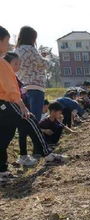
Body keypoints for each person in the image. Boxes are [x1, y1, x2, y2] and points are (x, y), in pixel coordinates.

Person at [0, 26, 63, 183]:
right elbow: (10, 88)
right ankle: (47, 154)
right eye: (6, 41)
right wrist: (21, 105)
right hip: (8, 101)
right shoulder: (3, 64)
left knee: (5, 135)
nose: (8, 46)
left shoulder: (16, 52)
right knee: (30, 120)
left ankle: (2, 170)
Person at [3, 51, 38, 167]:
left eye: (19, 64)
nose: (18, 66)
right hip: (12, 107)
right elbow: (12, 93)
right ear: (7, 64)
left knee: (18, 132)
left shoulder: (14, 77)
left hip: (19, 107)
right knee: (19, 130)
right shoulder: (6, 75)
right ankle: (27, 155)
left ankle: (23, 156)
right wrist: (22, 106)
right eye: (16, 63)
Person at [15, 26, 49, 122]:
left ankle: (23, 137)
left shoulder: (16, 51)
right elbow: (45, 64)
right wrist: (46, 58)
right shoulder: (31, 49)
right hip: (36, 87)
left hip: (22, 88)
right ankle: (36, 136)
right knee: (35, 118)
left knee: (24, 117)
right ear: (32, 38)